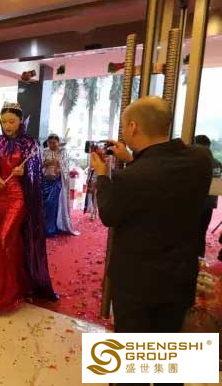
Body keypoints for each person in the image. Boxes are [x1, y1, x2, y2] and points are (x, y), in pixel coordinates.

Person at [90, 96, 211, 341]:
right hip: (181, 277)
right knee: (168, 346)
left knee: (136, 351)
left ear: (133, 126)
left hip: (138, 285)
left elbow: (109, 214)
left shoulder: (130, 178)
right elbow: (162, 178)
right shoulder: (201, 158)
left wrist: (102, 175)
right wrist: (132, 160)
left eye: (124, 126)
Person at [0, 103, 56, 312]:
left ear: (21, 121)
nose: (7, 125)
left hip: (17, 197)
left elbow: (37, 174)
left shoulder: (30, 144)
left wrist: (26, 172)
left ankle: (7, 294)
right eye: (4, 122)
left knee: (5, 238)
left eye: (12, 121)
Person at [42, 134, 79, 237]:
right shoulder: (44, 152)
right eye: (50, 143)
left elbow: (65, 167)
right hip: (45, 181)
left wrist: (58, 164)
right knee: (44, 204)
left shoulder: (62, 152)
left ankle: (51, 229)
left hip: (56, 181)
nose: (52, 145)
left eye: (54, 143)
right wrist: (48, 163)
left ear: (58, 143)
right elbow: (39, 165)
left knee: (51, 203)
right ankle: (44, 227)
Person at [193, 135, 221, 259]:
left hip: (197, 203)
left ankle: (194, 258)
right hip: (209, 204)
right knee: (202, 232)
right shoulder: (217, 164)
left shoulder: (196, 162)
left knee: (192, 232)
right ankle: (200, 257)